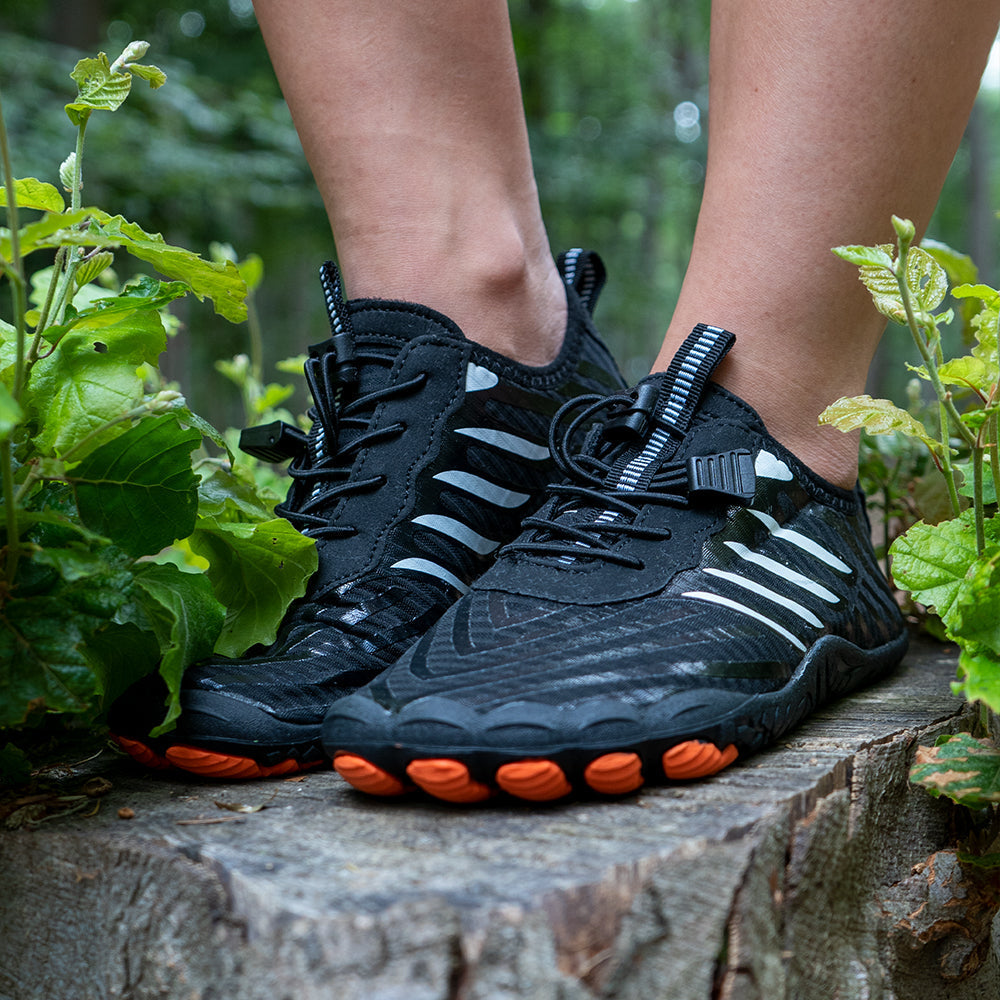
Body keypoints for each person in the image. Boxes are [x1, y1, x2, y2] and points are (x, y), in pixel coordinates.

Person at [111, 1, 1000, 800]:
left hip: (780, 452)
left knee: (763, 379)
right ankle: (480, 345)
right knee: (448, 284)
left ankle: (781, 439)